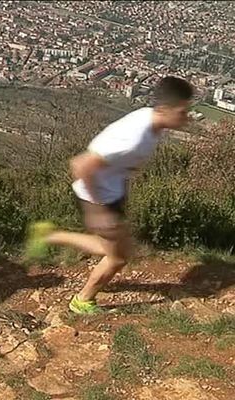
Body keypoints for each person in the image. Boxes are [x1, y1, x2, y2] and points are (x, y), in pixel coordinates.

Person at [29, 76, 194, 314]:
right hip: (98, 198)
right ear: (164, 108)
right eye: (182, 112)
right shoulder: (134, 136)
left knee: (114, 249)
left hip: (111, 193)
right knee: (118, 257)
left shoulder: (151, 122)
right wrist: (97, 211)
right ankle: (82, 301)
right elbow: (80, 164)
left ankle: (49, 235)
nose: (186, 118)